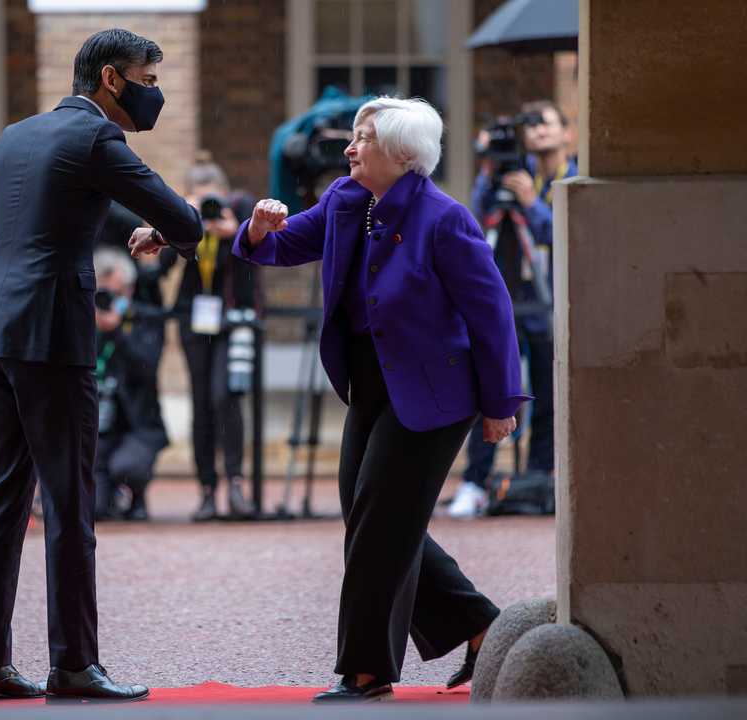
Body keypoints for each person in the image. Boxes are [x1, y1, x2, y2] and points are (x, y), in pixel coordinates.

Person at [233, 96, 530, 701]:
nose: (349, 147)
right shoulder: (346, 201)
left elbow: (493, 316)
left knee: (377, 526)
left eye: (362, 137)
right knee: (374, 516)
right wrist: (257, 231)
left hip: (435, 389)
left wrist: (501, 405)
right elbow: (283, 246)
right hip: (370, 382)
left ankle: (366, 672)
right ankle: (480, 624)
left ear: (401, 154)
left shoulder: (445, 219)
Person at [0, 29, 201, 702]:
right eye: (148, 79)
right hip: (53, 339)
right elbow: (182, 218)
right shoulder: (100, 140)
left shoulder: (13, 136)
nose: (156, 92)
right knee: (70, 503)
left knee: (2, 502)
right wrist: (174, 232)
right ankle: (74, 665)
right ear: (112, 80)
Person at [451, 100, 576, 518]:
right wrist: (490, 165)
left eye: (548, 123)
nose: (539, 131)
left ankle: (539, 478)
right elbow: (479, 215)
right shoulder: (507, 170)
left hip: (546, 301)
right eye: (532, 125)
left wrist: (531, 202)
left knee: (545, 392)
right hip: (508, 299)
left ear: (566, 133)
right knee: (493, 387)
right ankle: (475, 480)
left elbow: (567, 233)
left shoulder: (572, 177)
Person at [163, 155, 262, 521]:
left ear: (223, 196)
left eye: (210, 201)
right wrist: (179, 222)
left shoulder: (238, 217)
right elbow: (160, 268)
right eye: (198, 201)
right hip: (193, 321)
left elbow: (258, 263)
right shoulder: (187, 224)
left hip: (231, 318)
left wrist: (234, 233)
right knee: (201, 404)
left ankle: (236, 482)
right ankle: (207, 489)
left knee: (227, 396)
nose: (207, 209)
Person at [92, 248, 169, 522]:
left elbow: (146, 368)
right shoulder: (86, 323)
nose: (109, 302)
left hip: (139, 425)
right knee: (94, 509)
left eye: (116, 293)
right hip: (101, 428)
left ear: (129, 290)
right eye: (102, 294)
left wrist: (117, 331)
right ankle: (110, 497)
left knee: (128, 466)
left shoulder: (145, 319)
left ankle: (136, 494)